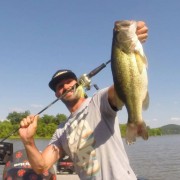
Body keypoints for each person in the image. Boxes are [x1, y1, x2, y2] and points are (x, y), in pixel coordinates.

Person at [19, 21, 148, 180]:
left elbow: (123, 87)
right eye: (59, 86)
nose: (65, 86)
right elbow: (41, 166)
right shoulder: (61, 132)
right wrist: (28, 141)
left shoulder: (98, 102)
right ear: (56, 95)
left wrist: (130, 40)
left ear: (78, 83)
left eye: (69, 81)